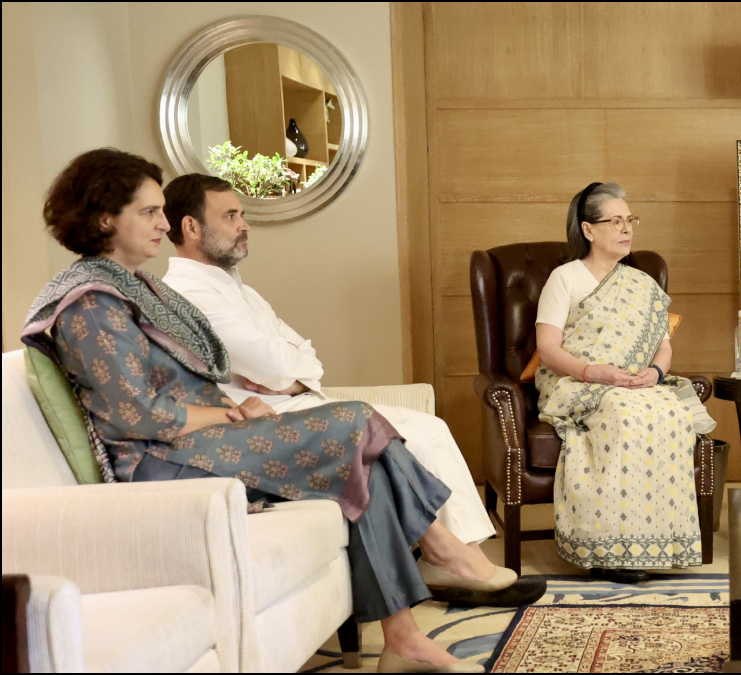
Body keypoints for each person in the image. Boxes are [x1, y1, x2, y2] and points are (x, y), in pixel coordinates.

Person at [22, 149, 542, 674]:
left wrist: (231, 404)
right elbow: (136, 416)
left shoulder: (138, 287)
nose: (162, 224)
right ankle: (442, 548)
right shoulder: (91, 304)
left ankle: (404, 640)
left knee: (365, 462)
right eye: (148, 212)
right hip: (158, 463)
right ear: (105, 217)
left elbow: (189, 382)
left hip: (194, 442)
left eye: (162, 210)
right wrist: (227, 415)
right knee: (356, 422)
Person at [158, 174, 496, 580]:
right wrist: (288, 374)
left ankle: (468, 556)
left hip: (295, 399)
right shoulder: (185, 294)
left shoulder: (240, 289)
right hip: (266, 417)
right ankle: (457, 565)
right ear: (191, 227)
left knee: (433, 427)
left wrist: (294, 378)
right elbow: (279, 363)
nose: (244, 225)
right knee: (416, 438)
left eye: (242, 214)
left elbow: (306, 358)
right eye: (230, 216)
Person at [533, 182, 717, 583]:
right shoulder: (564, 279)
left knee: (670, 410)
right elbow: (547, 349)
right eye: (614, 221)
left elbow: (662, 348)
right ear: (588, 230)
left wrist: (656, 374)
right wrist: (592, 372)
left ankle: (659, 543)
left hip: (636, 381)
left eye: (629, 220)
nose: (626, 228)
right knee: (624, 412)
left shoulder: (642, 283)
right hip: (578, 380)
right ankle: (611, 548)